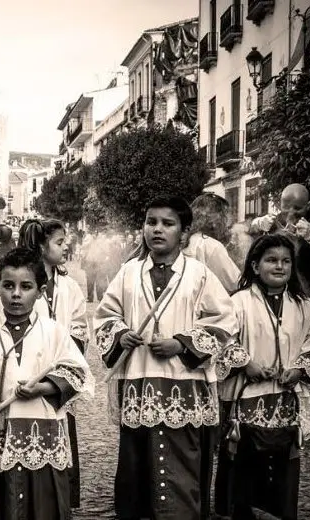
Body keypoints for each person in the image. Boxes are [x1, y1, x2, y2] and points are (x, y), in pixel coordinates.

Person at [93, 195, 236, 520]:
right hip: (139, 384)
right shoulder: (129, 273)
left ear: (184, 233)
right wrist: (120, 333)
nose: (157, 229)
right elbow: (105, 314)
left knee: (183, 463)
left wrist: (183, 344)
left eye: (168, 224)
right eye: (151, 222)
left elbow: (225, 319)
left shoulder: (199, 274)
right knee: (136, 464)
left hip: (185, 386)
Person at [0, 247, 93, 520]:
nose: (16, 294)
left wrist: (43, 388)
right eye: (8, 286)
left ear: (40, 290)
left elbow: (78, 374)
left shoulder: (54, 332)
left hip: (41, 435)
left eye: (26, 287)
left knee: (41, 505)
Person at [215, 233, 310, 520]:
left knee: (281, 471)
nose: (279, 266)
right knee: (244, 468)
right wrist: (245, 362)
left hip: (286, 402)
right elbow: (223, 340)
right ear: (255, 266)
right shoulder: (237, 303)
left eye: (286, 261)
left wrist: (299, 369)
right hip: (245, 399)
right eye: (271, 260)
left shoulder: (305, 306)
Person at [17, 218, 88, 508]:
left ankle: (59, 498)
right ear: (41, 245)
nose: (66, 245)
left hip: (58, 375)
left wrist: (69, 353)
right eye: (59, 242)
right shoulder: (25, 284)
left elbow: (80, 325)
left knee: (61, 430)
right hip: (27, 371)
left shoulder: (69, 287)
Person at [249, 184, 310, 301]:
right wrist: (256, 224)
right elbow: (242, 238)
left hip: (304, 296)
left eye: (297, 208)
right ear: (279, 204)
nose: (291, 213)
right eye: (286, 207)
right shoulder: (270, 224)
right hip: (271, 294)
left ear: (308, 206)